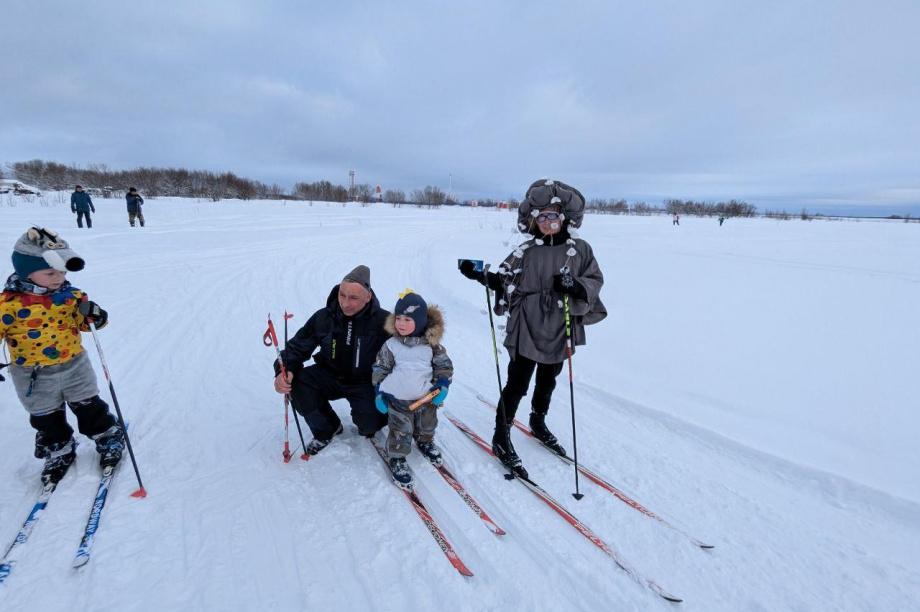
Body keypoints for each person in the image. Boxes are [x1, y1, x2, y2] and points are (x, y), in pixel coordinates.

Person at [459, 179, 606, 478]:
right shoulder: (525, 251)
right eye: (540, 217)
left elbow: (594, 280)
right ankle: (502, 434)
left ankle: (538, 420)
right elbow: (504, 280)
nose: (547, 222)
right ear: (532, 221)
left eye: (552, 215)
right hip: (527, 323)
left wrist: (574, 285)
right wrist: (478, 275)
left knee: (548, 380)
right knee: (518, 382)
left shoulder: (580, 250)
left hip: (559, 324)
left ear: (563, 217)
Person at [1, 227, 126, 485]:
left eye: (62, 272)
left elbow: (85, 323)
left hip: (74, 365)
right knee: (45, 416)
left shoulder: (71, 296)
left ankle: (107, 435)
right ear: (27, 271)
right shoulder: (7, 304)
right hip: (31, 374)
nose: (59, 277)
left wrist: (95, 316)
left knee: (89, 405)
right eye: (50, 272)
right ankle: (58, 449)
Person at [273, 265, 390, 454]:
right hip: (329, 374)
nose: (345, 303)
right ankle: (327, 428)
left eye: (353, 298)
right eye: (342, 295)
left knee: (369, 426)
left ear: (368, 297)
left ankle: (369, 420)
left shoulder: (384, 321)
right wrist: (284, 372)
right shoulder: (323, 318)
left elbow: (406, 354)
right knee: (298, 383)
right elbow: (295, 349)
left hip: (365, 381)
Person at [372, 290, 453, 489]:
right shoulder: (391, 345)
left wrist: (442, 385)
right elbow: (380, 369)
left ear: (420, 321)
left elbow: (444, 367)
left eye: (407, 319)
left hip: (426, 398)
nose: (400, 323)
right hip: (398, 399)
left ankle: (424, 441)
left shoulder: (433, 346)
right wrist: (379, 393)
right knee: (400, 430)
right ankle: (397, 458)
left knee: (427, 424)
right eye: (398, 318)